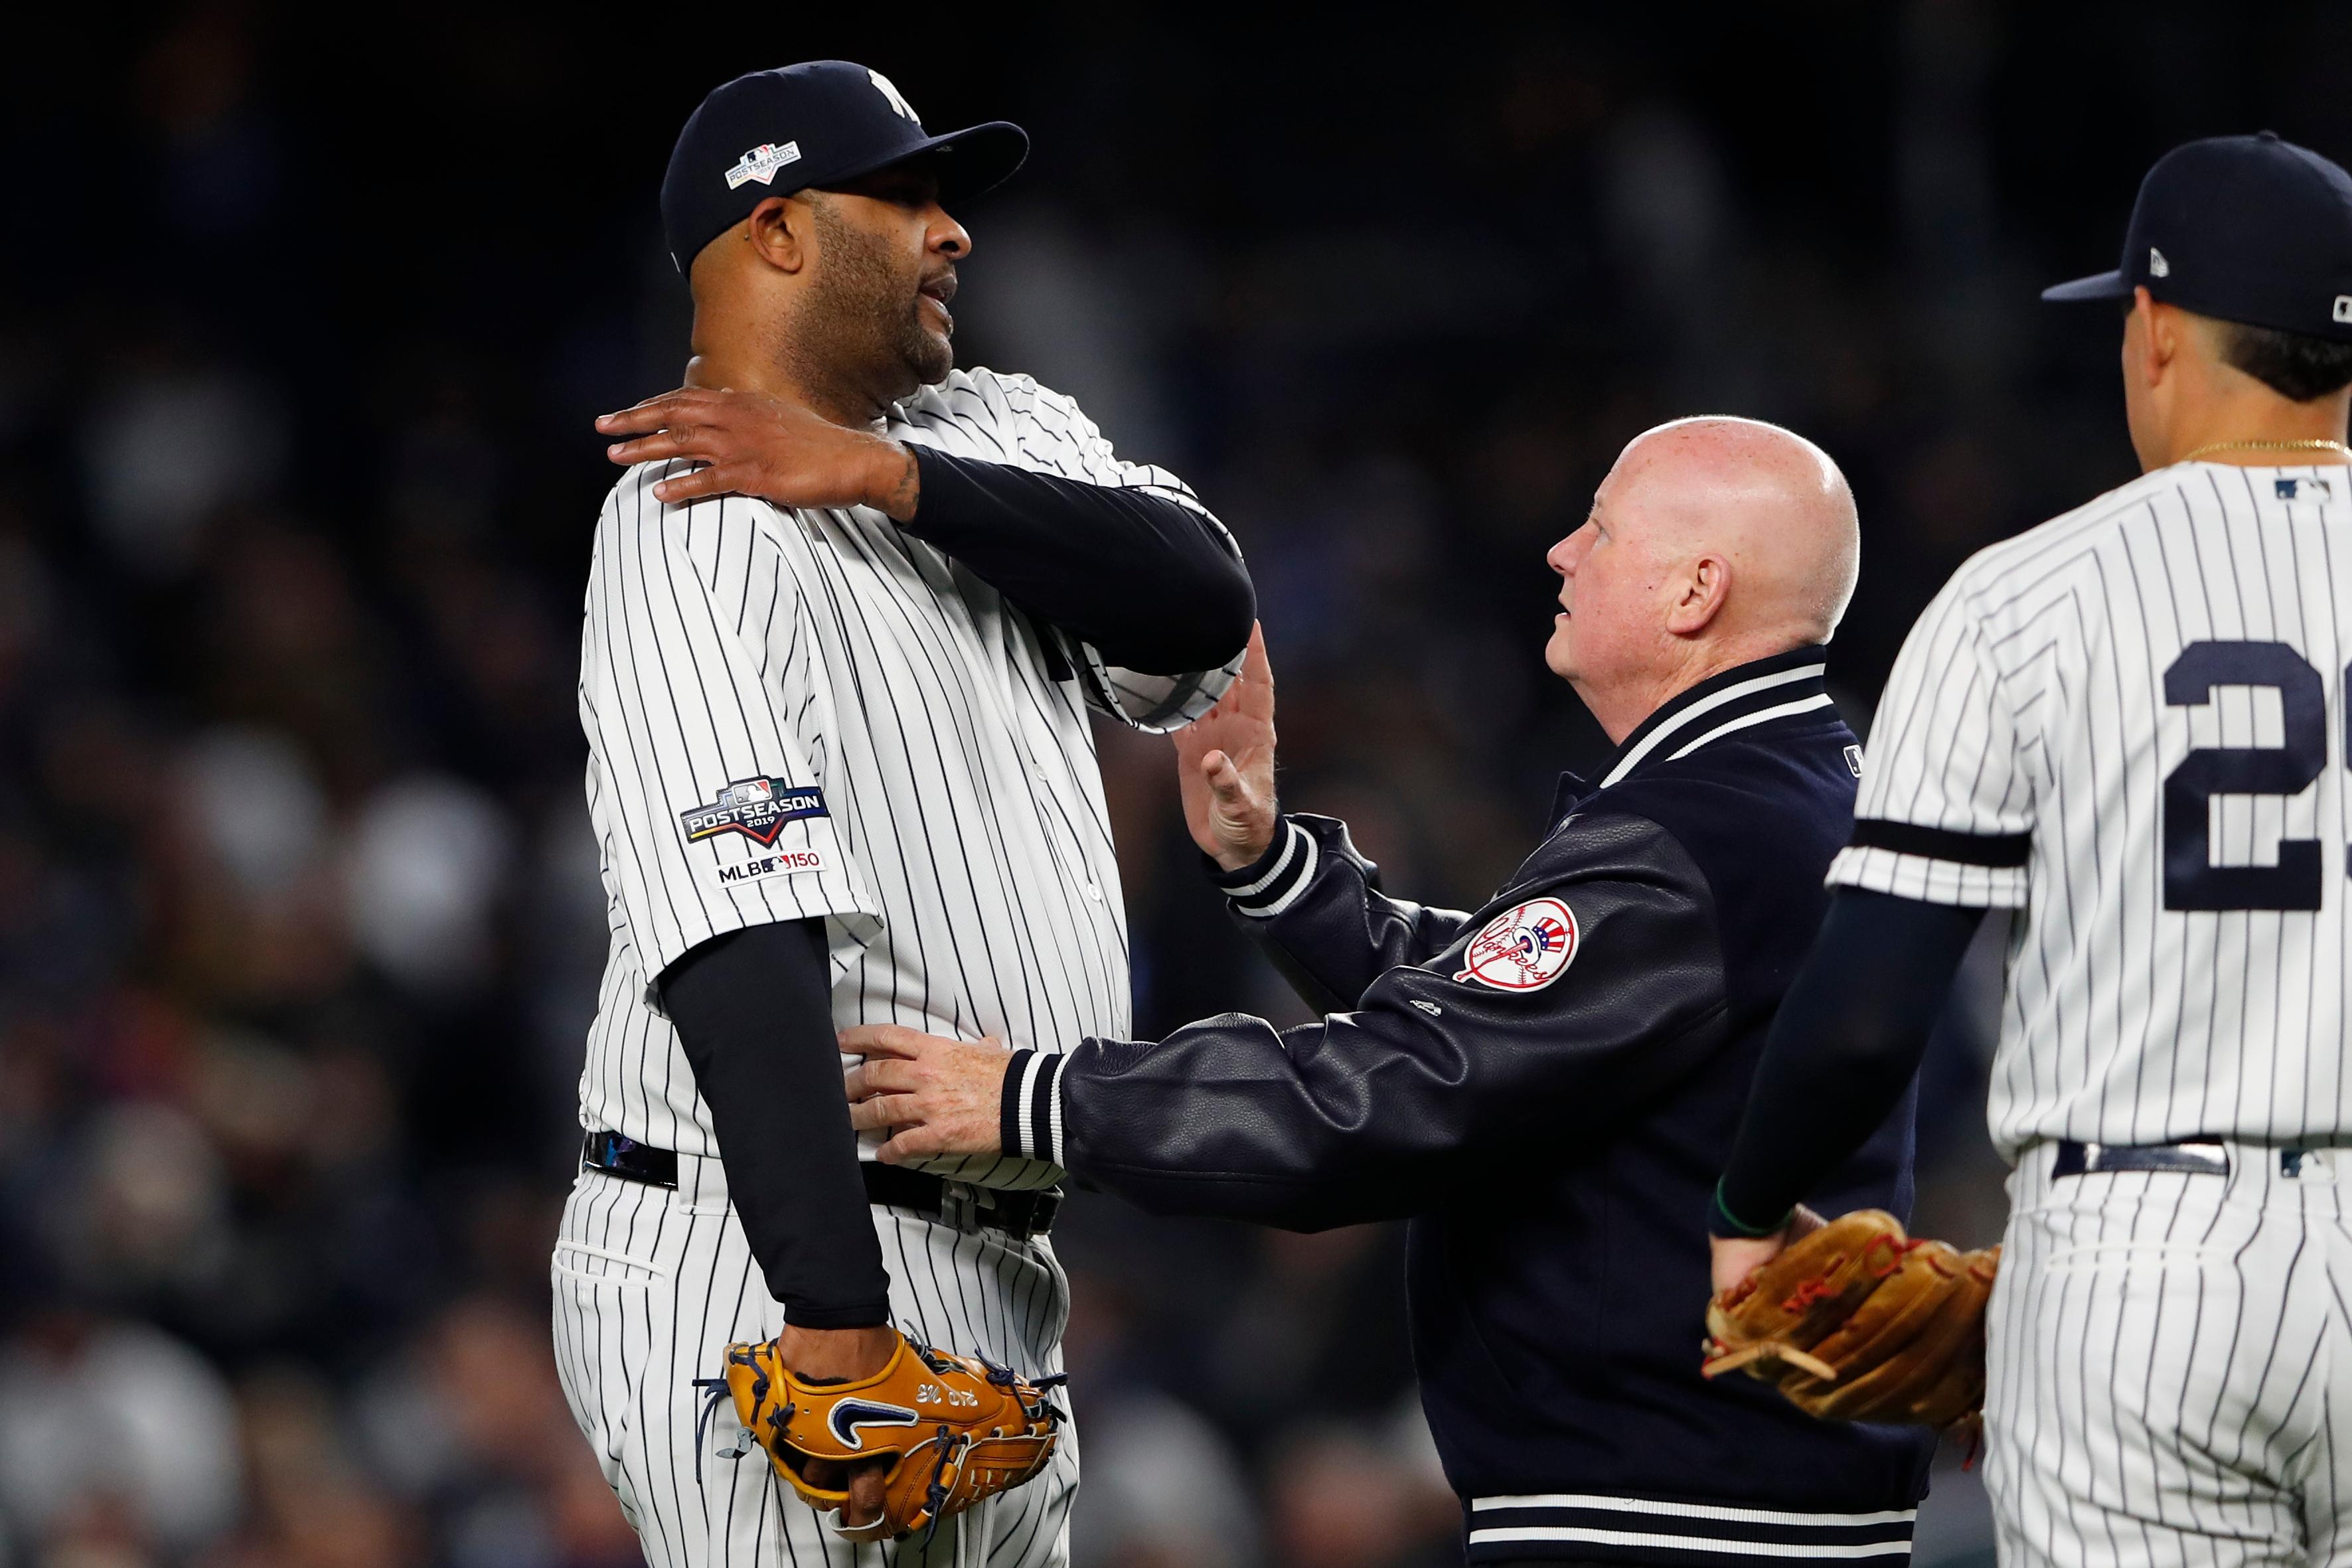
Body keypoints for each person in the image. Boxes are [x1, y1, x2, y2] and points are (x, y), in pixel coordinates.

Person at [844, 418, 1942, 1565]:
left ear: (1695, 590)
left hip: (1670, 1517)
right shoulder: (1788, 789)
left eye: (1603, 528)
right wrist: (1275, 869)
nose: (1562, 551)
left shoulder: (1700, 831)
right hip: (1748, 1497)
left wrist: (1041, 1098)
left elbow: (1401, 1091)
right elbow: (1517, 1005)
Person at [552, 60, 1253, 1567]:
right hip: (759, 1257)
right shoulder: (691, 507)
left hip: (1001, 1259)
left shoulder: (987, 424)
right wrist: (831, 1312)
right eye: (910, 195)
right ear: (783, 229)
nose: (956, 233)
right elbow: (737, 928)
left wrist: (883, 473)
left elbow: (1200, 599)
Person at [1706, 132, 2352, 1568]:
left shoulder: (2028, 595)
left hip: (2141, 1260)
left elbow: (1868, 1009)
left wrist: (1749, 1205)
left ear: (2156, 330)